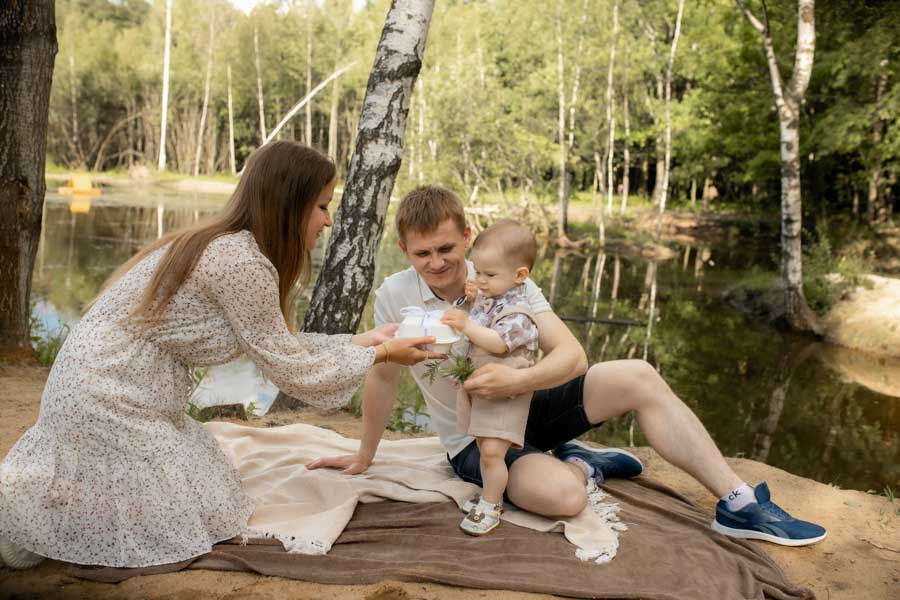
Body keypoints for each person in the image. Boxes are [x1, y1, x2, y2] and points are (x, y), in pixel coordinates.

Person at [0, 142, 444, 569]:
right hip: (109, 395)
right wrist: (384, 352)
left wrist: (363, 341)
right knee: (183, 526)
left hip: (107, 385)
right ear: (290, 206)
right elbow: (288, 368)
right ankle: (22, 526)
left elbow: (274, 344)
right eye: (322, 206)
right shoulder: (241, 263)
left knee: (211, 493)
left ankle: (44, 516)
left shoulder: (225, 243)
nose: (327, 221)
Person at [309, 185, 827, 547]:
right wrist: (363, 455)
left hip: (532, 403)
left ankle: (739, 504)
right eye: (423, 253)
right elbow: (383, 375)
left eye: (447, 247)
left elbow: (573, 356)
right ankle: (585, 464)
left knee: (638, 374)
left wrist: (518, 378)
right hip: (474, 436)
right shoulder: (395, 295)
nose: (437, 262)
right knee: (563, 497)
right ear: (404, 249)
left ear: (467, 235)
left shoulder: (507, 276)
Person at [440, 220, 541, 535]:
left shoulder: (519, 312)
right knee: (486, 448)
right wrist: (475, 302)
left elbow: (498, 343)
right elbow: (484, 319)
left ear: (519, 275)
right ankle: (489, 495)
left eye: (489, 275)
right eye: (478, 272)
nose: (480, 280)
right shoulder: (496, 298)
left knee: (493, 452)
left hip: (506, 394)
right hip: (487, 391)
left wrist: (466, 325)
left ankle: (491, 505)